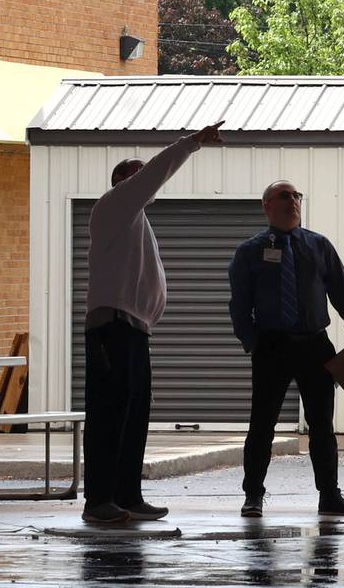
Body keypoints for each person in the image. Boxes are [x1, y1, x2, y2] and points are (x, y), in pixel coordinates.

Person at [82, 121, 225, 524]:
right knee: (109, 413)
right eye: (138, 173)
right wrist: (193, 142)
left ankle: (127, 495)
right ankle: (98, 502)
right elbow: (154, 172)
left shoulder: (136, 223)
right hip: (111, 326)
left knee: (134, 413)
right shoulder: (113, 207)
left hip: (134, 328)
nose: (148, 181)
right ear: (123, 182)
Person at [228, 179, 344, 518]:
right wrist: (253, 342)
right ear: (267, 206)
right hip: (272, 345)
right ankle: (253, 496)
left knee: (322, 424)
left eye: (296, 196)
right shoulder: (250, 251)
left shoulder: (318, 246)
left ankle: (330, 495)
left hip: (315, 345)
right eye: (284, 196)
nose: (293, 201)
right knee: (262, 423)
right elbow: (239, 304)